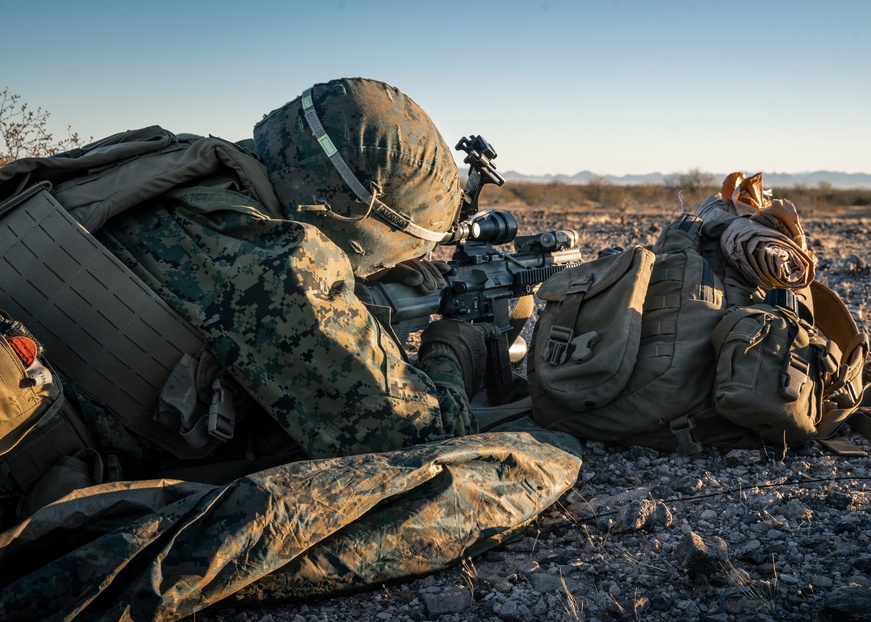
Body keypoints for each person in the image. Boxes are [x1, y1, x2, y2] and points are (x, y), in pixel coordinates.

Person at [2, 77, 500, 508]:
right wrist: (452, 346)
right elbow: (419, 441)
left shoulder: (173, 156)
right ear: (355, 212)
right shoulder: (284, 262)